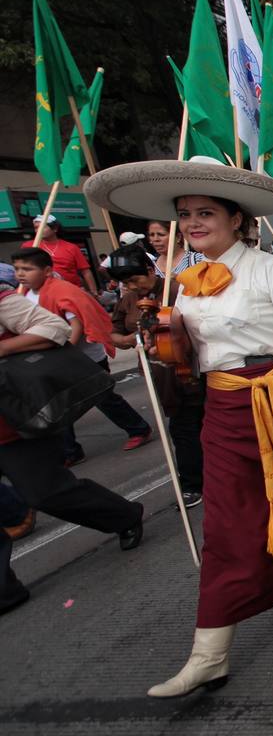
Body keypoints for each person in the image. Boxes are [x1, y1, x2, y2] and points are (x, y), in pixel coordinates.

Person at [85, 154, 273, 697]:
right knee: (226, 526)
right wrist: (161, 337)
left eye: (206, 213)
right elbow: (191, 350)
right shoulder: (185, 282)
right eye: (186, 215)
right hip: (221, 410)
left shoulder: (272, 269)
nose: (194, 223)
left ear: (236, 219)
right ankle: (210, 653)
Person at [0, 280, 147, 615]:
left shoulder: (2, 300)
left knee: (46, 493)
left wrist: (5, 348)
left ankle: (123, 516)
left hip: (12, 423)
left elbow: (54, 328)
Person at [11, 248, 153, 464]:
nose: (21, 274)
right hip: (51, 359)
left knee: (104, 398)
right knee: (57, 403)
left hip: (82, 357)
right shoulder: (24, 295)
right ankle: (70, 450)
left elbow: (74, 326)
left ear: (47, 270)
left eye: (27, 269)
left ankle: (138, 428)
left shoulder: (62, 291)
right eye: (17, 269)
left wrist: (63, 353)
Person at [105, 246, 205, 508]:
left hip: (190, 368)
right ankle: (197, 478)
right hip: (158, 373)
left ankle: (194, 482)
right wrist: (132, 339)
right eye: (126, 283)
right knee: (183, 427)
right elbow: (114, 333)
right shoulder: (128, 300)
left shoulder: (178, 288)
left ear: (150, 270)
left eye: (135, 280)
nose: (131, 287)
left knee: (190, 426)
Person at [21, 216, 98, 296]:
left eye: (43, 227)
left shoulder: (71, 247)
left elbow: (85, 271)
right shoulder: (29, 246)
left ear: (55, 229)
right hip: (41, 293)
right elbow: (23, 270)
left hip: (71, 291)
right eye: (36, 228)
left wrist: (94, 291)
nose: (38, 230)